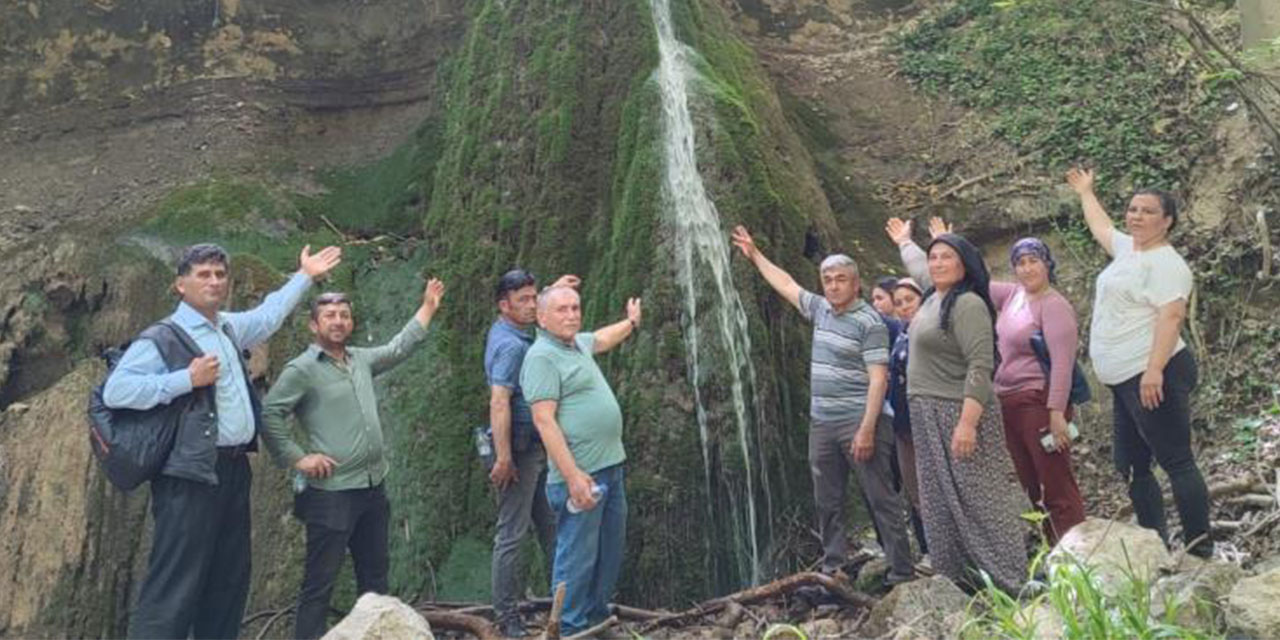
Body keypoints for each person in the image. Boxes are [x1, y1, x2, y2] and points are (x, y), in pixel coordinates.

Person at [103, 242, 342, 639]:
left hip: (232, 470)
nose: (214, 282)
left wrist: (304, 276)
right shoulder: (162, 337)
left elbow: (268, 316)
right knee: (175, 583)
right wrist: (185, 380)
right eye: (203, 274)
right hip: (189, 475)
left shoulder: (227, 326)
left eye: (219, 274)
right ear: (181, 284)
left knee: (228, 579)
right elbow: (118, 391)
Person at [260, 279, 444, 639]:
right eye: (329, 315)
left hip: (373, 488)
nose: (338, 321)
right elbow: (270, 414)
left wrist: (428, 307)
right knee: (319, 585)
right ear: (314, 325)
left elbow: (396, 348)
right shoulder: (303, 369)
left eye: (344, 315)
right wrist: (298, 457)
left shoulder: (360, 359)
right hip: (331, 494)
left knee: (375, 581)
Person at [730, 226, 914, 586]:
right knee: (827, 500)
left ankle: (902, 570)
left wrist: (866, 429)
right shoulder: (821, 310)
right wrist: (754, 254)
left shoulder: (869, 322)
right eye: (827, 279)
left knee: (880, 497)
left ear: (855, 284)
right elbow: (786, 285)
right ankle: (834, 569)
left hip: (860, 422)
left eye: (840, 279)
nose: (832, 285)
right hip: (823, 423)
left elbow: (879, 379)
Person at [890, 217, 1087, 544]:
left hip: (1039, 403)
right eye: (1020, 263)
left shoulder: (1054, 306)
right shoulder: (1013, 297)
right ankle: (1051, 551)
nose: (1026, 269)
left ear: (1047, 265)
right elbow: (942, 278)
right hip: (1006, 402)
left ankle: (1077, 553)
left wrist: (1057, 414)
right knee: (1029, 484)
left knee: (1056, 483)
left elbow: (1063, 364)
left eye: (1033, 261)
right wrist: (916, 245)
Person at [1066, 167, 1211, 556]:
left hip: (1153, 373)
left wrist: (1154, 370)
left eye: (1147, 211)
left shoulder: (1167, 264)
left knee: (1176, 460)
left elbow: (1172, 316)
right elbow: (1101, 227)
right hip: (1124, 380)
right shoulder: (1130, 250)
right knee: (1131, 463)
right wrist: (1085, 192)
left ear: (1167, 221)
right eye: (1132, 209)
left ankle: (1200, 551)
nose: (1136, 216)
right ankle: (1154, 545)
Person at [882, 227, 1028, 592]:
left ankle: (1009, 579)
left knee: (979, 496)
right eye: (934, 257)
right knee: (939, 500)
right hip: (925, 415)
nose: (937, 263)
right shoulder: (932, 298)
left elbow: (981, 365)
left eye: (947, 257)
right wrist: (905, 243)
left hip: (958, 411)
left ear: (965, 265)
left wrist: (967, 424)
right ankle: (959, 580)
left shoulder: (968, 304)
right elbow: (919, 267)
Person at [520, 286, 641, 636]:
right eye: (562, 309)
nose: (572, 314)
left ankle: (595, 620)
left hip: (610, 470)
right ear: (541, 318)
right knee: (576, 558)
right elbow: (544, 420)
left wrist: (630, 323)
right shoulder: (541, 357)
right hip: (579, 476)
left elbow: (601, 338)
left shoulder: (575, 345)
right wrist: (573, 476)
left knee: (608, 553)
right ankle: (569, 629)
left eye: (575, 307)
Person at [485, 269, 579, 637]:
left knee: (551, 526)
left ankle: (564, 604)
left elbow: (544, 312)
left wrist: (557, 289)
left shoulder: (514, 333)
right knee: (512, 532)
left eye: (533, 297)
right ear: (503, 305)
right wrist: (504, 457)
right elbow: (498, 401)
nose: (530, 305)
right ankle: (506, 616)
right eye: (522, 300)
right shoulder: (510, 344)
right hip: (519, 454)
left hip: (534, 451)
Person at [887, 277, 928, 555]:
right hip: (903, 425)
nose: (904, 307)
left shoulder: (931, 330)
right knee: (915, 493)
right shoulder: (901, 334)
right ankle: (929, 551)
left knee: (933, 490)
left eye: (909, 300)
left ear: (922, 299)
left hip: (927, 422)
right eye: (898, 303)